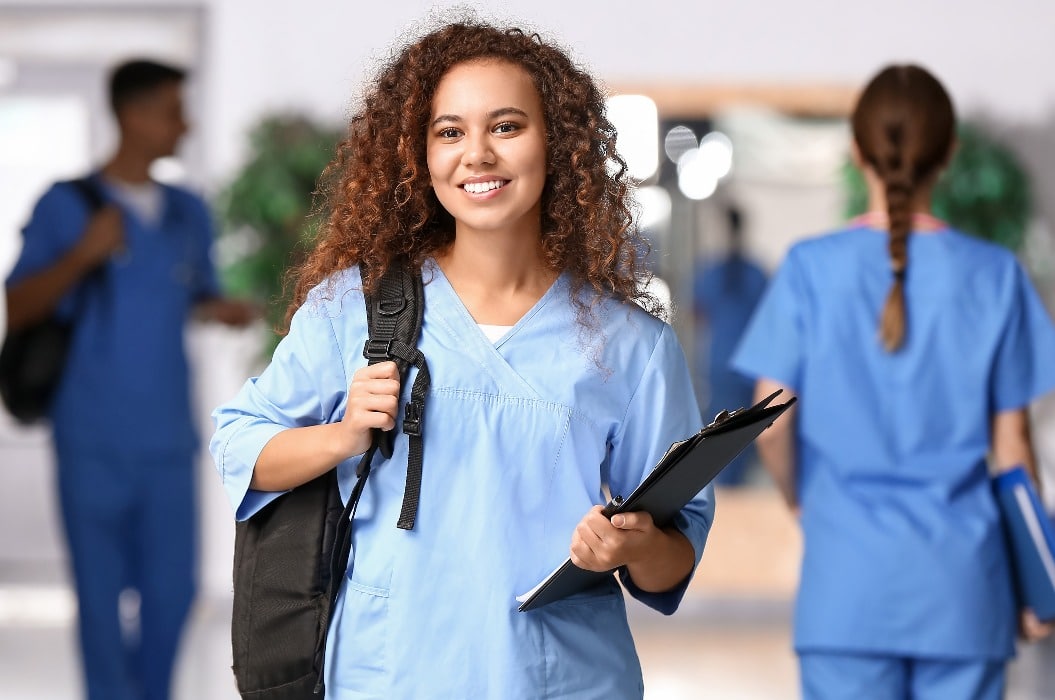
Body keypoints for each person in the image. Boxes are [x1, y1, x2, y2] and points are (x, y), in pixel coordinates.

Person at [210, 19, 713, 699]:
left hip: (558, 681)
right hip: (386, 675)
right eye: (449, 132)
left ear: (556, 144)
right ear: (420, 154)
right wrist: (343, 435)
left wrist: (632, 547)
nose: (476, 154)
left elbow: (673, 555)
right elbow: (239, 443)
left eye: (506, 126)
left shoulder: (630, 348)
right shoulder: (353, 309)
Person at [731, 64, 1055, 699]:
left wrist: (802, 500)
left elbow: (770, 420)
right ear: (950, 153)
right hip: (964, 591)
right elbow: (1014, 445)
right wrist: (1033, 574)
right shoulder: (994, 275)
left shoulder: (808, 268)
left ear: (856, 152)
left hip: (845, 589)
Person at [5, 59, 256, 700]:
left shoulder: (186, 212)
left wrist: (219, 309)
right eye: (174, 110)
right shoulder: (67, 206)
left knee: (174, 594)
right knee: (99, 600)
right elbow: (18, 306)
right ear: (134, 115)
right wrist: (83, 254)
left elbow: (189, 294)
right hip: (90, 437)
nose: (185, 124)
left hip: (167, 443)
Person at [692, 204, 767, 485]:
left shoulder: (710, 273)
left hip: (719, 364)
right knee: (743, 438)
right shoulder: (756, 273)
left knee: (719, 435)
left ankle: (722, 493)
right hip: (747, 365)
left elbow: (698, 315)